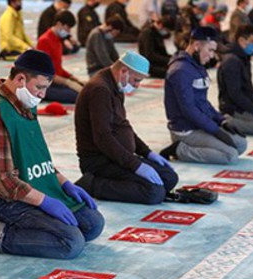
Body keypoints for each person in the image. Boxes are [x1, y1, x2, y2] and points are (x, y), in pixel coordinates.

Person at [0, 50, 105, 259]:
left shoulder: (26, 104)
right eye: (39, 87)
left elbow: (35, 157)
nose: (42, 95)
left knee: (93, 224)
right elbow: (1, 180)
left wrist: (64, 183)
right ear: (20, 79)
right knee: (70, 242)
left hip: (33, 186)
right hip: (4, 199)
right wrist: (45, 202)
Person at [74, 51, 178, 204]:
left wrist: (146, 152)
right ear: (123, 71)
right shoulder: (100, 89)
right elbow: (103, 137)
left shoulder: (116, 85)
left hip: (117, 156)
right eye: (136, 80)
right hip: (99, 161)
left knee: (169, 178)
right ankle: (92, 184)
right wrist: (135, 165)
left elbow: (123, 125)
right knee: (153, 192)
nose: (136, 85)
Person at [162, 27, 247, 165]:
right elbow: (189, 110)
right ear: (196, 46)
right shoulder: (180, 71)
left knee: (241, 144)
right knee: (230, 155)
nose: (212, 56)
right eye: (210, 50)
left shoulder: (197, 66)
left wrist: (221, 121)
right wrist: (215, 130)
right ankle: (179, 149)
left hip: (198, 125)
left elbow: (202, 102)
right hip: (186, 130)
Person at [37, 11, 84, 103]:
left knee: (85, 90)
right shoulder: (44, 40)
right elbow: (44, 74)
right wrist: (67, 82)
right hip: (45, 85)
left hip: (56, 81)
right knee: (80, 96)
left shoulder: (58, 40)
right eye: (67, 28)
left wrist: (74, 78)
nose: (68, 32)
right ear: (59, 24)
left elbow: (57, 68)